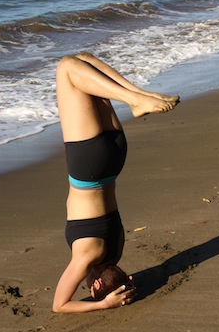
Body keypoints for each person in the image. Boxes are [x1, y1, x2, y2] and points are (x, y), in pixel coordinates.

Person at [52, 52, 179, 313]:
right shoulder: (87, 256)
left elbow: (114, 274)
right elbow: (59, 305)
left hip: (114, 159)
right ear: (97, 284)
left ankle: (142, 95)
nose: (86, 286)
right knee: (67, 67)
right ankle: (136, 99)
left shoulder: (117, 247)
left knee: (84, 60)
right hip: (90, 165)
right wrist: (103, 304)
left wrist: (122, 285)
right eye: (91, 288)